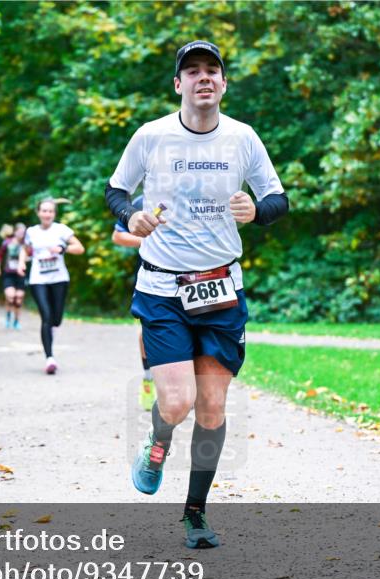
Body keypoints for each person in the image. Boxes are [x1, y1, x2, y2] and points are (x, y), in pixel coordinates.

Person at [105, 40, 288, 548]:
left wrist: (258, 211)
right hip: (163, 288)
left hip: (221, 289)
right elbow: (115, 190)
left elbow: (278, 198)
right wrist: (130, 215)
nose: (203, 77)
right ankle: (158, 440)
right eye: (192, 71)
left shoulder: (243, 138)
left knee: (211, 406)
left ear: (224, 83)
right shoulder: (151, 136)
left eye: (212, 70)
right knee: (177, 401)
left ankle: (195, 513)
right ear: (178, 84)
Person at [18, 198, 85, 374]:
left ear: (54, 214)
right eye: (44, 211)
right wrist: (21, 263)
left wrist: (63, 249)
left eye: (50, 211)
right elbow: (25, 250)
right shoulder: (31, 232)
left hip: (59, 278)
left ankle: (50, 330)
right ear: (38, 213)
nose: (47, 214)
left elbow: (79, 248)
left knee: (56, 319)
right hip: (38, 279)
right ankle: (50, 358)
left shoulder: (61, 230)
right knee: (46, 317)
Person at [111, 196, 155, 411]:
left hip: (192, 276)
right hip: (152, 276)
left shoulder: (194, 195)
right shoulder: (140, 202)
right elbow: (118, 236)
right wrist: (148, 241)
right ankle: (148, 379)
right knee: (147, 329)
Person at [0, 223, 27, 330]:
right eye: (20, 232)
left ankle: (16, 321)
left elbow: (33, 254)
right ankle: (8, 316)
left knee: (18, 299)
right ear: (15, 232)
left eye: (23, 232)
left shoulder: (26, 244)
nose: (21, 234)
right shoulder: (7, 243)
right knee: (10, 296)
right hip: (9, 274)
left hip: (21, 274)